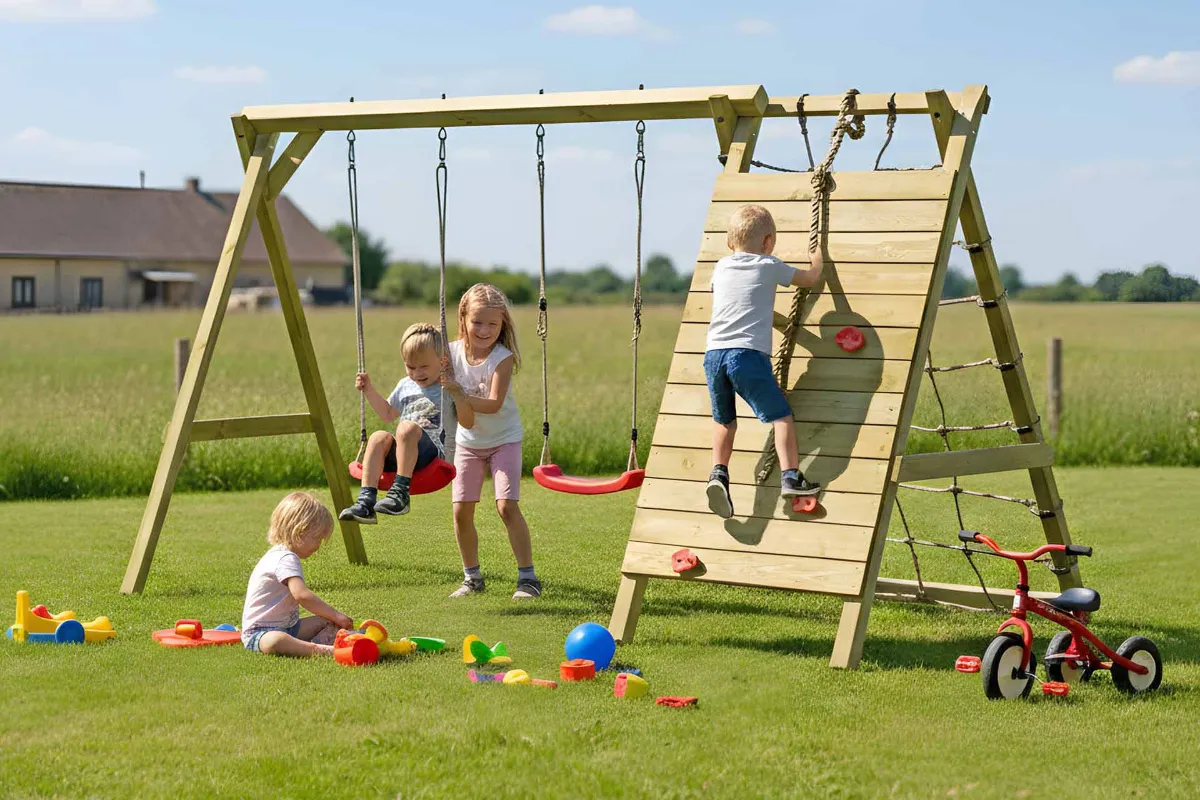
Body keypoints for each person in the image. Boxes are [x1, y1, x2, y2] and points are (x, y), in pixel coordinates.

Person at [704, 204, 825, 519]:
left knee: (725, 421)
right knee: (781, 417)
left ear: (730, 243)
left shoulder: (721, 267)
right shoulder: (769, 265)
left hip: (714, 354)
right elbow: (810, 279)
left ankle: (718, 473)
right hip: (746, 355)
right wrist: (818, 259)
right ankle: (791, 477)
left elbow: (730, 298)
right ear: (768, 242)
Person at [446, 283, 540, 600]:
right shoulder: (450, 352)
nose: (485, 330)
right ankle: (472, 578)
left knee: (506, 507)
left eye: (493, 324)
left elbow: (493, 403)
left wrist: (460, 395)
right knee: (461, 511)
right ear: (463, 318)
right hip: (468, 442)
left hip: (504, 439)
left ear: (503, 324)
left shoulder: (502, 357)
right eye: (477, 322)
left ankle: (528, 579)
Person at [339, 323, 473, 524]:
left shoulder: (449, 386)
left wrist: (458, 393)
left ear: (442, 361)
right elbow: (387, 414)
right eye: (410, 367)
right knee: (378, 437)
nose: (417, 373)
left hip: (432, 456)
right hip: (404, 451)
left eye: (424, 367)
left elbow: (467, 421)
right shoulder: (405, 385)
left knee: (406, 427)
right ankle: (366, 501)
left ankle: (401, 493)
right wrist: (368, 390)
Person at [241, 491, 355, 657]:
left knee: (329, 623)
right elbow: (301, 595)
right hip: (260, 634)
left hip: (290, 628)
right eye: (316, 538)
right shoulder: (285, 558)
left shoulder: (280, 554)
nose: (318, 546)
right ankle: (325, 650)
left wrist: (335, 619)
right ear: (298, 531)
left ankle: (344, 641)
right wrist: (337, 614)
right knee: (277, 641)